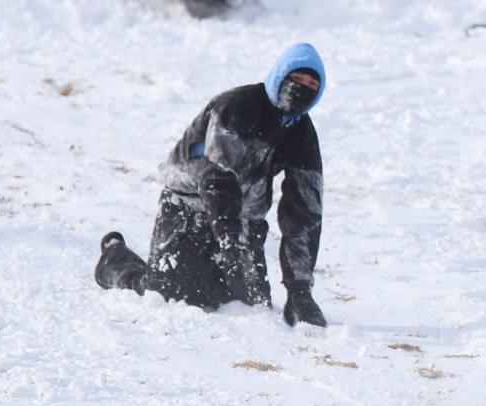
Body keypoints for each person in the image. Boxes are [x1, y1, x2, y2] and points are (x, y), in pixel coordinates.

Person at [95, 43, 328, 327]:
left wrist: (300, 290)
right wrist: (230, 245)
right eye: (296, 79)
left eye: (311, 85)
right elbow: (218, 178)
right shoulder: (237, 106)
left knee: (249, 304)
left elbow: (305, 211)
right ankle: (115, 260)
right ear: (280, 75)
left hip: (244, 220)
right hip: (189, 204)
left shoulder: (302, 134)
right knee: (169, 296)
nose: (302, 88)